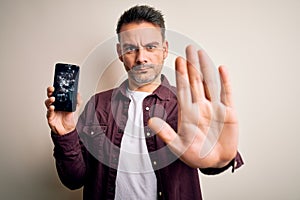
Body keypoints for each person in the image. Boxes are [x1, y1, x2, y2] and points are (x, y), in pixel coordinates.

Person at [45, 5, 243, 200]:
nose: (141, 58)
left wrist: (219, 160)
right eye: (131, 48)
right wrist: (65, 133)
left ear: (164, 50)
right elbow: (73, 180)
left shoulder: (188, 104)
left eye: (151, 47)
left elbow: (211, 158)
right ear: (120, 52)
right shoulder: (98, 105)